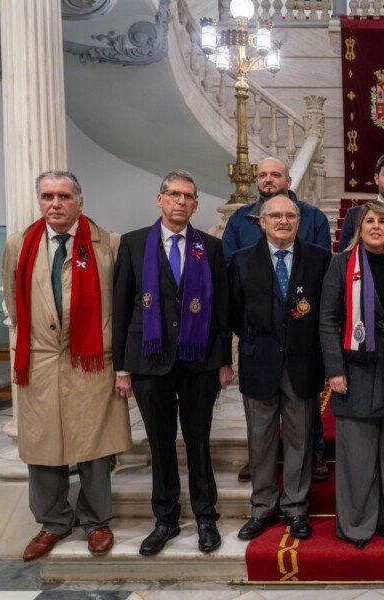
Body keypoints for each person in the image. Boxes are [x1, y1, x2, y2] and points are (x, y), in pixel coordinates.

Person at [3, 170, 132, 562]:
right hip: (40, 360)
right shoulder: (19, 244)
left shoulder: (107, 242)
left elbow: (121, 304)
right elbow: (13, 299)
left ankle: (97, 521)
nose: (54, 204)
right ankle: (53, 522)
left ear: (80, 202)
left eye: (63, 196)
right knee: (43, 446)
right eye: (46, 196)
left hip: (92, 358)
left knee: (93, 445)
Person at [113, 170, 232, 556]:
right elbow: (121, 306)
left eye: (188, 196)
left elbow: (221, 311)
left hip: (198, 363)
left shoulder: (210, 248)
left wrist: (224, 361)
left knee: (198, 442)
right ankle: (164, 519)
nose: (181, 201)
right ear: (160, 199)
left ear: (196, 205)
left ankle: (206, 518)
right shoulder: (132, 244)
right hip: (149, 361)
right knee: (160, 445)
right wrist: (121, 367)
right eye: (174, 194)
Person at [222, 156, 331, 483]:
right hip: (260, 344)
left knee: (303, 424)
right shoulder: (240, 221)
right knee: (262, 429)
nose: (268, 180)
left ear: (288, 180)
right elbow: (232, 291)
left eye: (275, 175)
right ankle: (262, 489)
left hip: (302, 336)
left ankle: (313, 454)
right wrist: (257, 330)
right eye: (263, 175)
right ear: (261, 222)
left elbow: (322, 278)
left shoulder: (313, 218)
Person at [319, 202, 384, 549]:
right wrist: (334, 370)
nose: (376, 227)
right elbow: (328, 320)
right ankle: (357, 524)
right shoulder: (340, 264)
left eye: (383, 222)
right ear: (358, 228)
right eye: (369, 221)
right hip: (356, 371)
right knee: (357, 457)